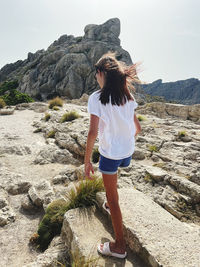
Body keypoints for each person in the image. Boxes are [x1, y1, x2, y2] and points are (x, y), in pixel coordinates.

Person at [84, 52, 142, 259]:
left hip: (110, 155)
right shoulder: (128, 96)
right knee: (114, 178)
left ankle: (119, 247)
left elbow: (92, 132)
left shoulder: (96, 98)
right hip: (127, 153)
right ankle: (110, 204)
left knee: (113, 198)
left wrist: (87, 161)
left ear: (100, 73)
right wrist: (123, 140)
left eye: (96, 74)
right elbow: (138, 128)